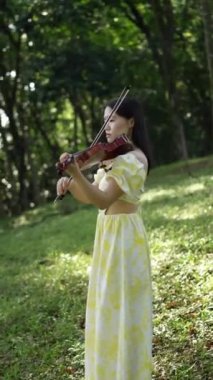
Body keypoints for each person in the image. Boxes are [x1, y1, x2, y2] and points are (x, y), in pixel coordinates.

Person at [56, 97, 153, 380]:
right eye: (105, 121)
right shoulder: (113, 159)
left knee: (122, 312)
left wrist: (76, 172)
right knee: (106, 310)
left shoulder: (133, 160)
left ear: (131, 121)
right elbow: (91, 195)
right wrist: (72, 185)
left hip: (125, 240)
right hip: (109, 235)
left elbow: (102, 199)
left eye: (112, 120)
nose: (106, 127)